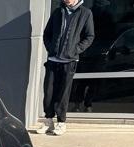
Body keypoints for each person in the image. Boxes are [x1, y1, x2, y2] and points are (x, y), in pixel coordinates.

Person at [37, 0, 95, 136]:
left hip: (69, 61)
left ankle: (61, 123)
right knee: (49, 91)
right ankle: (48, 121)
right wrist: (50, 48)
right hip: (53, 60)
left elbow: (89, 36)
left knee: (63, 93)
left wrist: (75, 50)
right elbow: (47, 34)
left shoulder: (85, 13)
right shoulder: (58, 12)